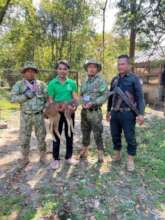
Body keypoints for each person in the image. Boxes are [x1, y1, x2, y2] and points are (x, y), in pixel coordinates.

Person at [106, 55, 145, 171]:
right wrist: (108, 110)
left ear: (128, 65)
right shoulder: (114, 79)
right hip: (115, 113)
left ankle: (130, 160)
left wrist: (141, 114)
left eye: (122, 64)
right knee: (115, 135)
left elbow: (140, 98)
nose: (120, 66)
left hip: (128, 114)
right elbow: (111, 96)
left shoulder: (134, 79)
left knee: (130, 137)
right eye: (118, 64)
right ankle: (117, 155)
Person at [11, 62, 47, 167]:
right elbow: (13, 99)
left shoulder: (41, 84)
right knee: (24, 138)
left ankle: (43, 156)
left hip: (39, 115)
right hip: (25, 115)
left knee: (41, 137)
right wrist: (25, 96)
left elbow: (47, 98)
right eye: (28, 71)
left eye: (32, 71)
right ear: (24, 73)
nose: (30, 73)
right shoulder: (19, 85)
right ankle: (25, 158)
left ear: (35, 72)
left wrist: (46, 108)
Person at [48, 60, 78, 170]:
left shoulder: (72, 83)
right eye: (60, 68)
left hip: (69, 112)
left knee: (69, 134)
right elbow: (50, 100)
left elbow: (75, 98)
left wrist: (74, 106)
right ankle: (56, 159)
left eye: (65, 69)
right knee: (56, 134)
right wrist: (55, 108)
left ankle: (69, 157)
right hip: (56, 113)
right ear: (57, 70)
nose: (62, 71)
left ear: (68, 70)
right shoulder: (52, 83)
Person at [79, 59, 108, 163]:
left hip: (95, 112)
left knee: (97, 133)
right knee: (85, 131)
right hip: (84, 111)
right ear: (87, 69)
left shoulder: (101, 81)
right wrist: (82, 102)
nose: (91, 69)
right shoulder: (84, 81)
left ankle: (100, 153)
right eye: (89, 67)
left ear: (97, 69)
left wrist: (94, 102)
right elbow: (81, 94)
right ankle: (84, 150)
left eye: (93, 67)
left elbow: (105, 95)